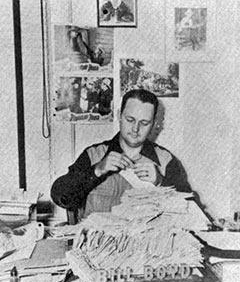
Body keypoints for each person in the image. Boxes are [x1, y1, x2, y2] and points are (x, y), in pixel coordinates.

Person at [51, 89, 194, 216]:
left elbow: (190, 209)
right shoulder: (94, 154)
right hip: (99, 242)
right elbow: (60, 196)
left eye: (144, 123)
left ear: (154, 123)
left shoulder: (165, 160)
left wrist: (160, 182)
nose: (135, 129)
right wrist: (97, 171)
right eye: (130, 120)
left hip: (146, 243)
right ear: (119, 115)